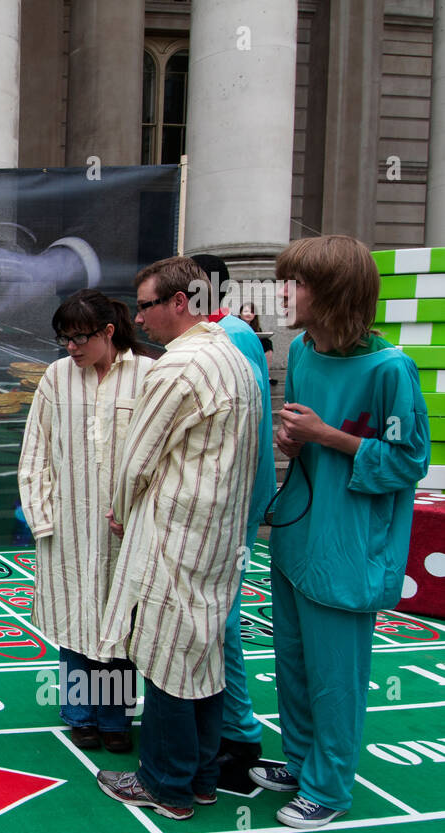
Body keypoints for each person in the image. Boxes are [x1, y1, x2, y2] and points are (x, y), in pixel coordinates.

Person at [251, 235, 429, 828]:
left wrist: (330, 436)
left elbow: (408, 462)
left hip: (349, 543)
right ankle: (301, 763)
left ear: (332, 293)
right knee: (294, 661)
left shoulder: (390, 369)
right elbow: (299, 437)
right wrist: (293, 439)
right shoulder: (302, 351)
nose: (283, 292)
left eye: (295, 283)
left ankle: (328, 790)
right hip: (298, 530)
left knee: (337, 676)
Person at [93, 256, 261, 820]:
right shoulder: (233, 356)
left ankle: (165, 785)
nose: (137, 319)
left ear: (180, 302)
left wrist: (119, 509)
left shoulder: (177, 367)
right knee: (203, 654)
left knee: (165, 657)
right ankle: (203, 777)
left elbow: (137, 459)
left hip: (177, 531)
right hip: (222, 532)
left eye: (144, 306)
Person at [19, 290, 153, 753]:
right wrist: (42, 517)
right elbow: (35, 450)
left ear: (108, 332)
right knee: (76, 619)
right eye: (64, 339)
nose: (70, 348)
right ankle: (81, 714)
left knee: (119, 623)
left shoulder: (148, 376)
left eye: (79, 338)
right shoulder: (56, 377)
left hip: (124, 529)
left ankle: (115, 718)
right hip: (68, 525)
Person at [190, 253, 276, 787]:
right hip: (226, 499)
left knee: (219, 619)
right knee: (212, 617)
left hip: (233, 501)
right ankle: (220, 724)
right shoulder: (225, 332)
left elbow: (241, 432)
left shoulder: (234, 335)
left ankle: (238, 736)